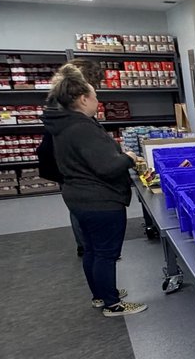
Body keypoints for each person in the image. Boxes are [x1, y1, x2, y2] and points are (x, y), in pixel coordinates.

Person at [41, 64, 148, 317]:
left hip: (78, 196)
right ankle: (113, 304)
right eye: (95, 96)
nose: (98, 101)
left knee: (91, 249)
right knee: (106, 253)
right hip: (100, 200)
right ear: (82, 99)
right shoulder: (82, 127)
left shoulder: (63, 124)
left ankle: (100, 294)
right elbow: (108, 166)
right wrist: (129, 157)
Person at [38, 57, 103, 257]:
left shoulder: (59, 101)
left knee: (77, 207)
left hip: (64, 164)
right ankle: (90, 248)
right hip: (69, 166)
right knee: (81, 207)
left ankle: (88, 247)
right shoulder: (71, 109)